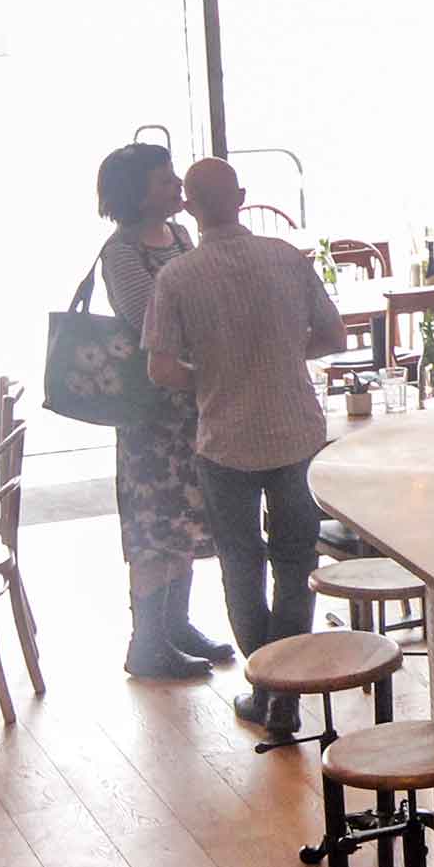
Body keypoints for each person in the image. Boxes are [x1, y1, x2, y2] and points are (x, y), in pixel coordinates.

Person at [142, 156, 346, 734]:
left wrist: (212, 375)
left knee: (240, 562)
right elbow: (333, 335)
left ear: (188, 207)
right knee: (296, 560)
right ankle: (288, 691)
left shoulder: (177, 277)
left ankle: (266, 687)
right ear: (242, 197)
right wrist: (282, 357)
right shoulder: (286, 257)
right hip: (296, 432)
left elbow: (160, 368)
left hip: (225, 439)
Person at [93, 143, 231, 682]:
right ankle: (146, 642)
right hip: (150, 409)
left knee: (184, 518)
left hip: (187, 402)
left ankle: (176, 626)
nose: (177, 186)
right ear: (136, 193)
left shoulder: (177, 235)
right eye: (163, 180)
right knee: (154, 524)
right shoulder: (122, 251)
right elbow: (149, 319)